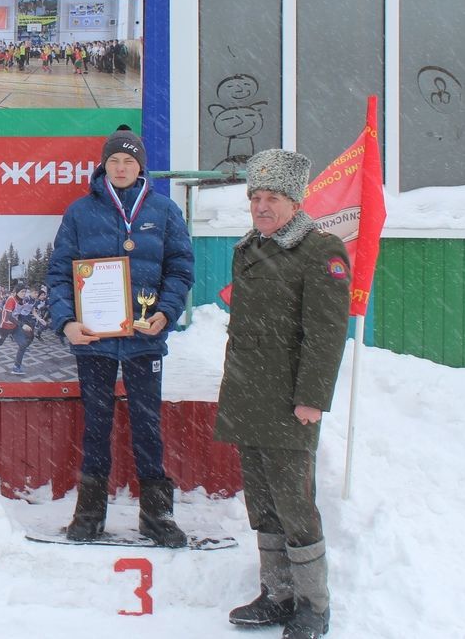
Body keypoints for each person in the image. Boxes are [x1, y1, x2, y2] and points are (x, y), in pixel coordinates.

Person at [217, 149, 350, 639]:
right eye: (256, 197)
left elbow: (326, 332)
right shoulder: (248, 248)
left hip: (291, 401)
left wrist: (312, 396)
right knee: (264, 502)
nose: (262, 206)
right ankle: (277, 594)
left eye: (273, 197)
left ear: (295, 202)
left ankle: (313, 605)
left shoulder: (321, 250)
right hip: (251, 395)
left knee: (295, 505)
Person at [46, 125, 194, 547]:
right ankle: (90, 513)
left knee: (148, 426)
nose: (122, 167)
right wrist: (67, 323)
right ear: (104, 165)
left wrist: (166, 313)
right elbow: (59, 271)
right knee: (96, 425)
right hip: (95, 340)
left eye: (129, 161)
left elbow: (180, 268)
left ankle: (157, 515)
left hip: (145, 338)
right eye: (114, 160)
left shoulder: (164, 211)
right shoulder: (80, 212)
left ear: (140, 166)